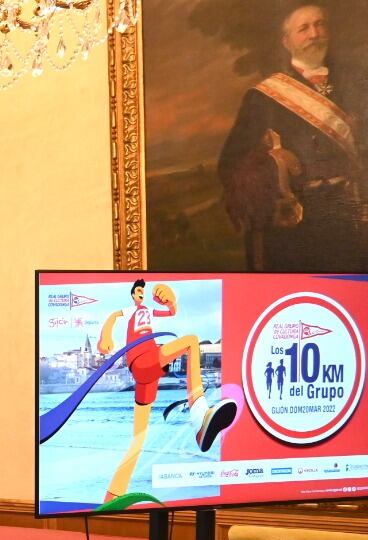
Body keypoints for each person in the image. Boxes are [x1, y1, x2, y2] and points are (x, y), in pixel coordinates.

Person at [217, 3, 368, 271]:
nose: (314, 34)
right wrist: (274, 164)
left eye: (320, 25)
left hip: (350, 215)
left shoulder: (356, 82)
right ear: (287, 42)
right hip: (298, 225)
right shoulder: (262, 98)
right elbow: (230, 164)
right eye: (304, 28)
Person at [95, 280, 236, 503]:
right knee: (191, 341)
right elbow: (113, 317)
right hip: (142, 360)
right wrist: (106, 337)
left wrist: (171, 301)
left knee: (138, 437)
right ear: (133, 295)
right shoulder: (131, 310)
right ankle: (199, 413)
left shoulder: (150, 310)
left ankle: (112, 497)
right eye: (138, 291)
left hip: (148, 371)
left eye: (143, 291)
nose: (141, 294)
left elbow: (171, 312)